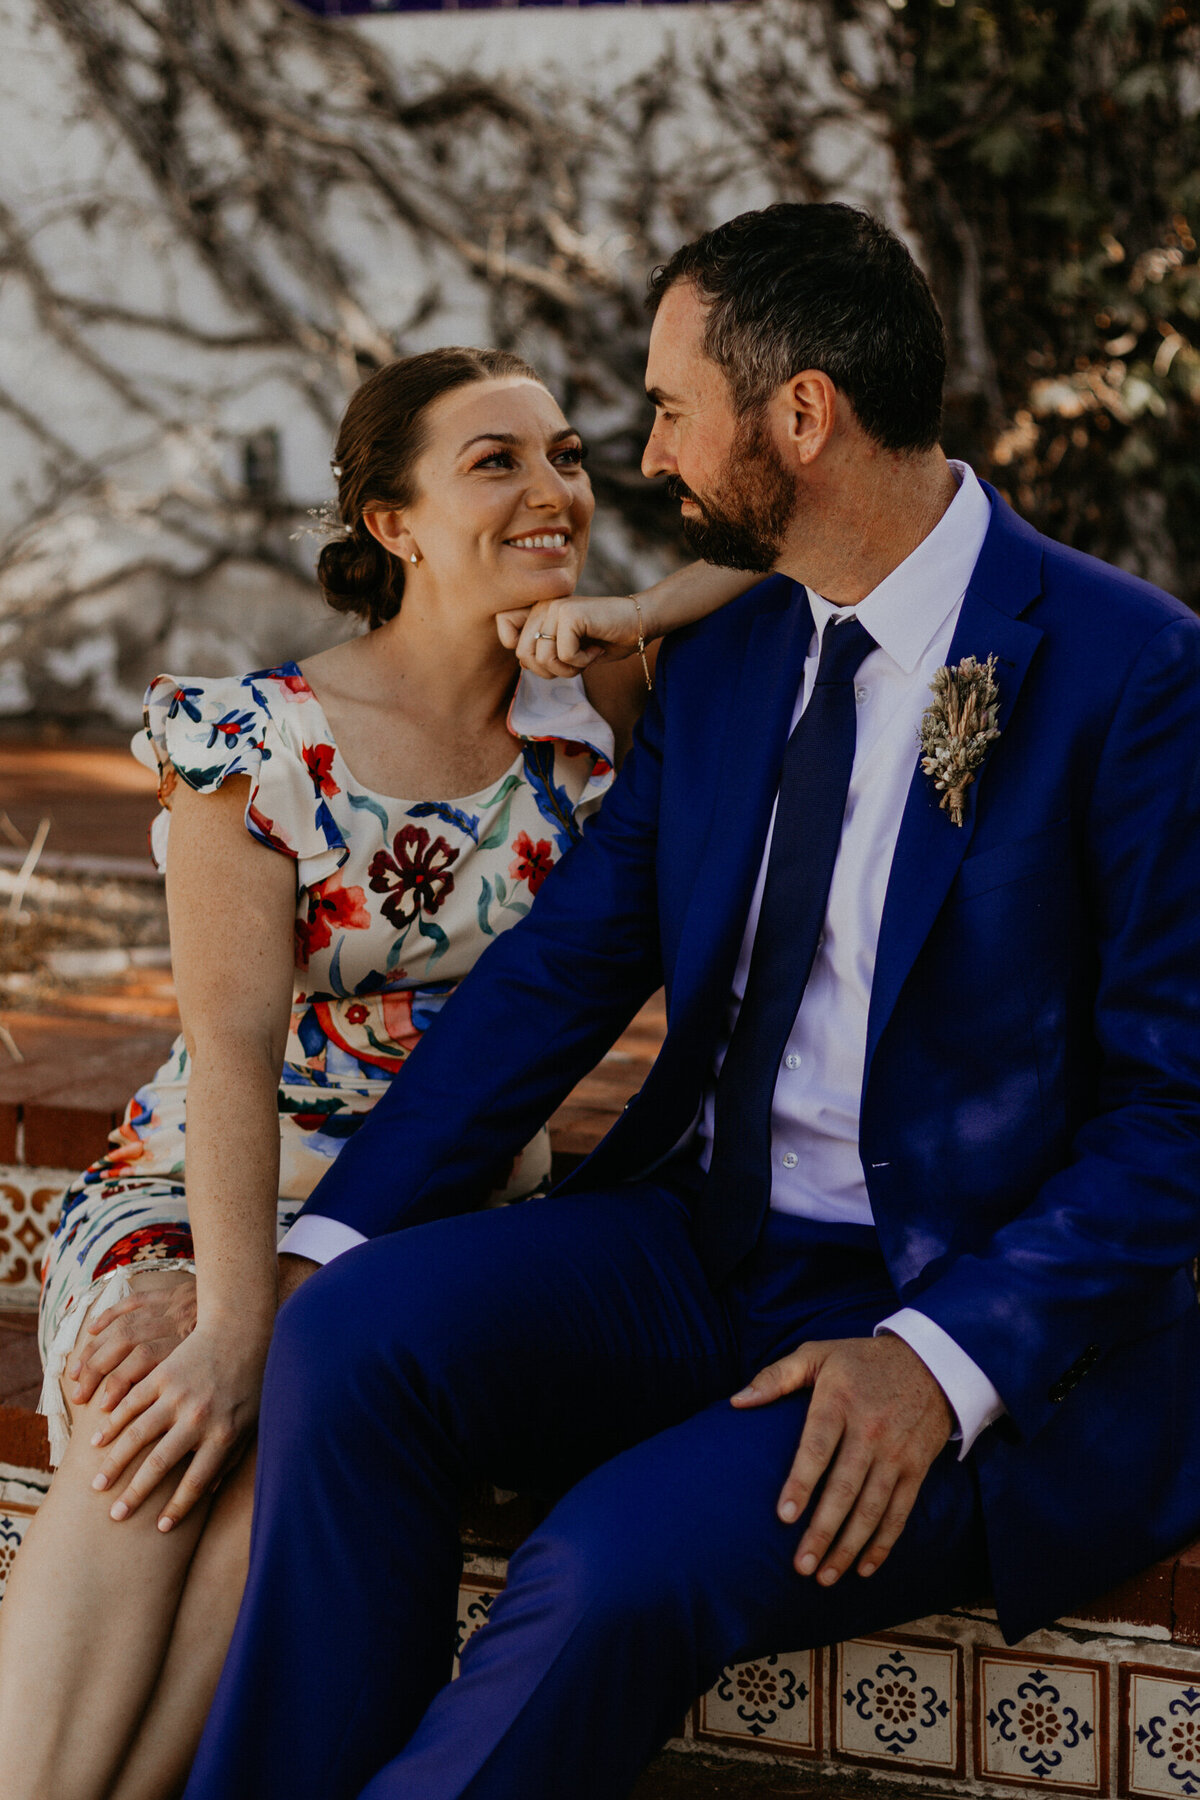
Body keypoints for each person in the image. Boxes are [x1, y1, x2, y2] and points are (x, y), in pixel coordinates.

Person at [181, 201, 1200, 1800]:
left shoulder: (1130, 668)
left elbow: (1179, 1110)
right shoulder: (729, 660)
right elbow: (561, 974)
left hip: (957, 1312)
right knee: (357, 1343)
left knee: (598, 1567)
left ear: (801, 414)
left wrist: (940, 1359)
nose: (645, 460)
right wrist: (324, 1247)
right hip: (704, 1244)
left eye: (668, 407)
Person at [0, 345, 751, 1800]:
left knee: (292, 1450)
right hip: (213, 1184)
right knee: (165, 1402)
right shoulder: (254, 743)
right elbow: (224, 1052)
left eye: (568, 456)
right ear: (390, 525)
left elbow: (796, 577)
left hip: (438, 1216)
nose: (554, 492)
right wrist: (227, 1321)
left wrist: (644, 608)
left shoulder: (595, 713)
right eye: (496, 463)